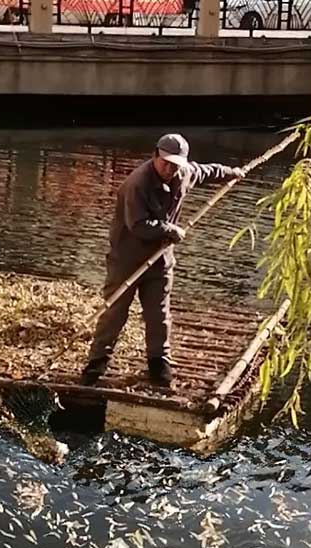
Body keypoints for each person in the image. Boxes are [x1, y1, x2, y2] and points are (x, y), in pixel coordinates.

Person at [80, 133, 245, 388]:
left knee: (159, 312)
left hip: (160, 259)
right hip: (128, 258)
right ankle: (97, 362)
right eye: (165, 162)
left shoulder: (184, 173)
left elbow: (206, 172)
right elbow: (139, 226)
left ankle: (159, 362)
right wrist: (169, 230)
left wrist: (232, 172)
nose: (169, 169)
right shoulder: (137, 184)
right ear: (155, 155)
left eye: (175, 164)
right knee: (115, 311)